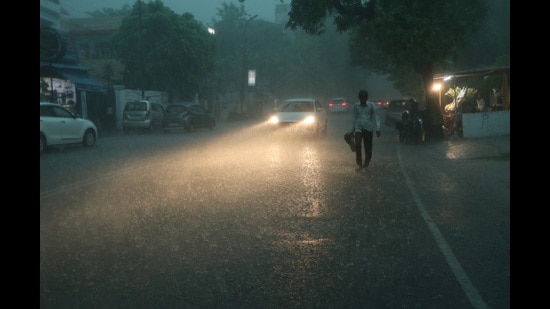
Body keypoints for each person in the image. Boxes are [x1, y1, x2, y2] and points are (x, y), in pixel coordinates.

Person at [350, 89, 381, 171]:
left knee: (368, 148)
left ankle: (366, 163)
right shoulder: (356, 106)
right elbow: (354, 118)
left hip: (368, 129)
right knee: (358, 145)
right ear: (359, 98)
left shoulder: (371, 105)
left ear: (366, 98)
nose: (363, 100)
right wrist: (352, 130)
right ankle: (359, 163)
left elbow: (377, 117)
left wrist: (378, 128)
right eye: (361, 99)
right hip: (358, 128)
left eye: (364, 99)